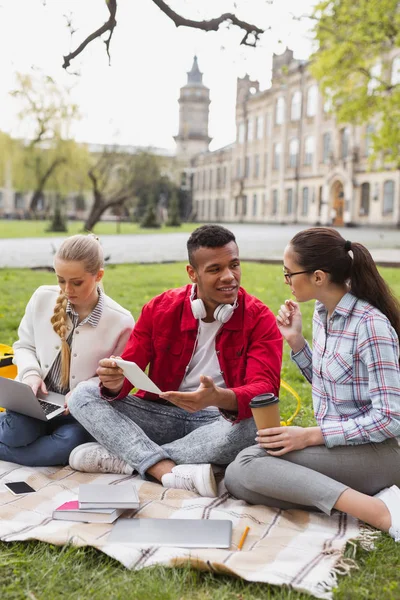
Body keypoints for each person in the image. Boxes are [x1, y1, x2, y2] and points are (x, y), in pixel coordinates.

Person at [67, 225, 282, 497]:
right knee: (82, 394)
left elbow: (265, 389)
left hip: (217, 422)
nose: (229, 277)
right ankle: (165, 469)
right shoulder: (160, 308)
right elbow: (127, 372)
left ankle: (129, 458)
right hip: (160, 414)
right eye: (215, 269)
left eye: (234, 265)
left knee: (253, 428)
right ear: (192, 273)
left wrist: (217, 397)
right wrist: (113, 382)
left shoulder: (259, 318)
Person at [225, 227, 400, 541]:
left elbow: (390, 419)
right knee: (238, 478)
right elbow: (331, 383)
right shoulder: (323, 314)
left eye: (289, 273)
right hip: (338, 447)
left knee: (248, 465)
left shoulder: (371, 326)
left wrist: (310, 436)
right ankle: (354, 499)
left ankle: (379, 512)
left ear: (318, 276)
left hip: (380, 454)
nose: (286, 281)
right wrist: (296, 343)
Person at [0, 234, 134, 466]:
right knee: (16, 434)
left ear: (98, 275)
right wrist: (31, 374)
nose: (67, 289)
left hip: (79, 412)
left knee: (63, 447)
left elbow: (114, 378)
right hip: (36, 400)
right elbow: (24, 345)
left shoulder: (121, 321)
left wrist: (83, 390)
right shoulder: (43, 297)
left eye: (76, 282)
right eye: (61, 280)